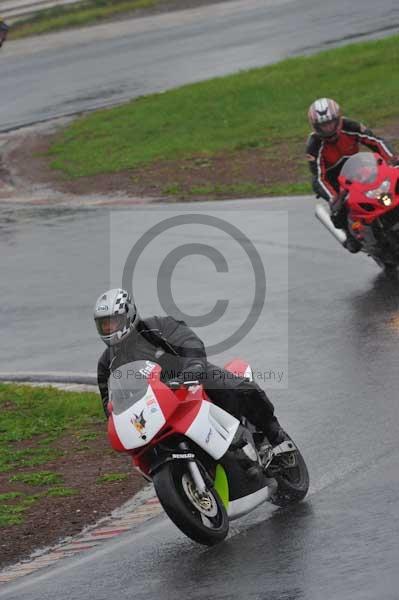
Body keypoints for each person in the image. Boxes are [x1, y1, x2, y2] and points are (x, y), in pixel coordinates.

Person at [94, 288, 285, 448]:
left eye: (113, 322)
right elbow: (108, 401)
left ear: (129, 315)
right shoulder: (107, 363)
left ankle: (273, 433)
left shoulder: (158, 327)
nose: (109, 329)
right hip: (156, 406)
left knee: (232, 386)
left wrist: (193, 367)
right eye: (104, 325)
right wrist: (114, 414)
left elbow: (188, 341)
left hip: (189, 380)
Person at [306, 98, 397, 253]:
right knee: (338, 213)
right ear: (316, 127)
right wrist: (334, 197)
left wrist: (393, 159)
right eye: (323, 125)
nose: (328, 128)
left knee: (390, 181)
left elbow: (376, 141)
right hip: (334, 180)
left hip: (357, 167)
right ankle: (350, 235)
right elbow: (319, 177)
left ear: (338, 119)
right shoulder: (313, 145)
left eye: (331, 123)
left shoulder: (350, 126)